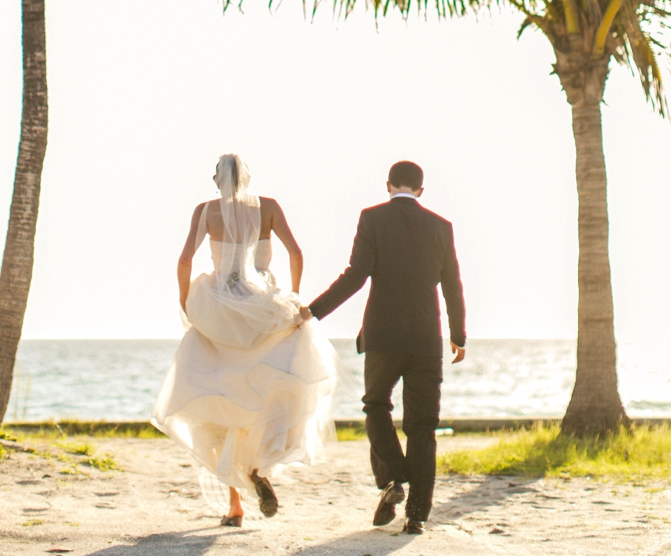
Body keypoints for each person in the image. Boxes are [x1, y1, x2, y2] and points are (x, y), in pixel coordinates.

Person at [152, 153, 335, 526]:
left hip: (219, 309)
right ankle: (259, 469)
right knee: (270, 388)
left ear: (217, 180)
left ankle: (235, 506)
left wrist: (184, 298)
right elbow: (296, 252)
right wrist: (294, 298)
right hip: (263, 306)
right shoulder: (268, 207)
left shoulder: (205, 211)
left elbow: (185, 259)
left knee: (222, 398)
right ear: (248, 178)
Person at [300, 160, 465, 535]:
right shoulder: (442, 227)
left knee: (376, 406)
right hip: (426, 339)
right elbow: (452, 284)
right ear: (421, 190)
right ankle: (417, 517)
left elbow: (355, 275)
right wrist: (458, 334)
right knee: (423, 427)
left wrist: (313, 311)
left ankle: (393, 476)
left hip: (383, 336)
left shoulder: (371, 218)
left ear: (388, 185)